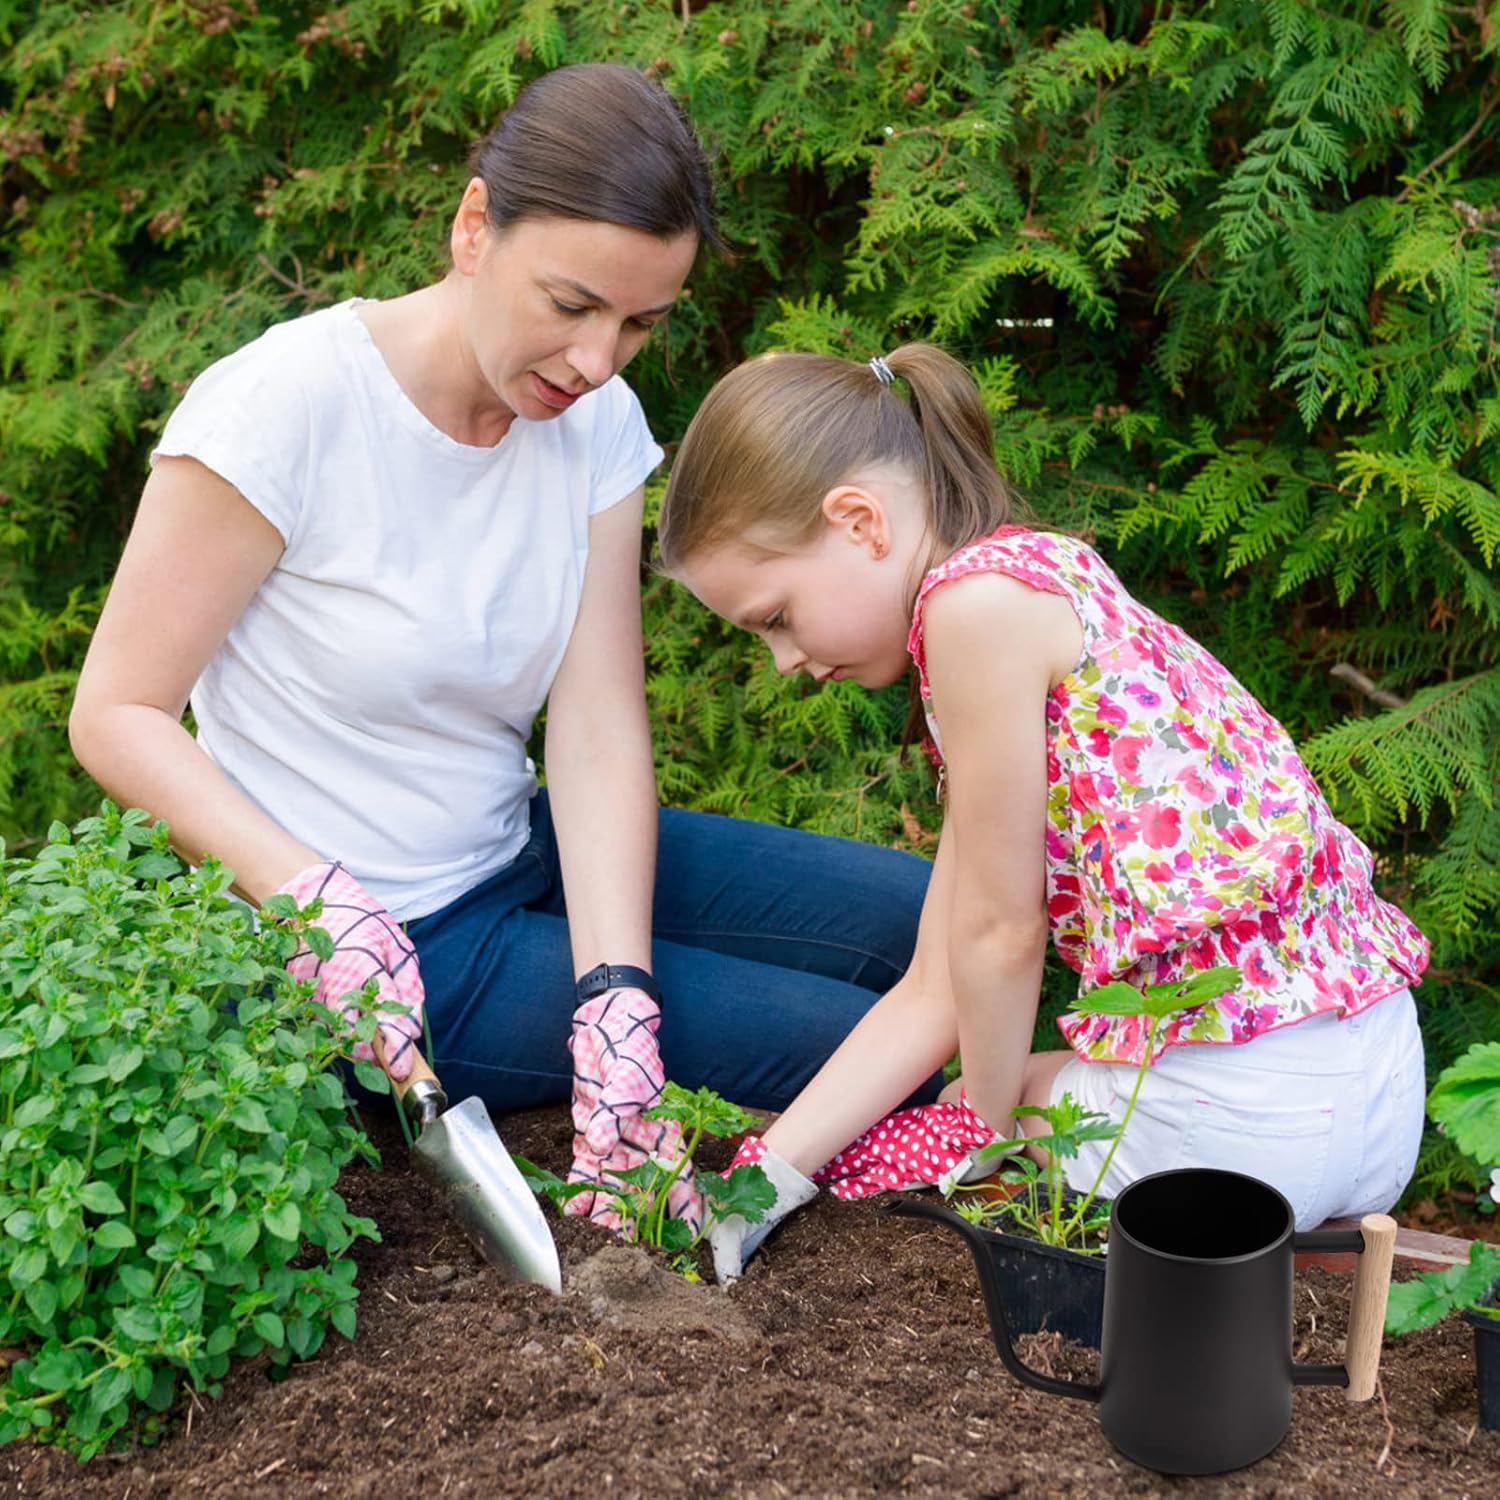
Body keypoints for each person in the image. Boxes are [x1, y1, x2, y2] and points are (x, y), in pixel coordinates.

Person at [68, 64, 932, 1230]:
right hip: (388, 945)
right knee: (877, 1053)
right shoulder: (280, 409)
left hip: (519, 848)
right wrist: (311, 900)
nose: (596, 360)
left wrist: (616, 996)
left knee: (927, 928)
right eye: (572, 304)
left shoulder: (594, 428)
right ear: (474, 227)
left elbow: (593, 724)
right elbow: (115, 711)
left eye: (639, 323)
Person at [654, 344, 1430, 1280]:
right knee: (997, 1089)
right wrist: (762, 1177)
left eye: (775, 617)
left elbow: (999, 938)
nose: (785, 661)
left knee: (991, 1111)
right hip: (1378, 1096)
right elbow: (936, 986)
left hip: (1253, 1127)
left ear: (859, 521)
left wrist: (972, 1138)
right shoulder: (1041, 579)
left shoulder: (971, 613)